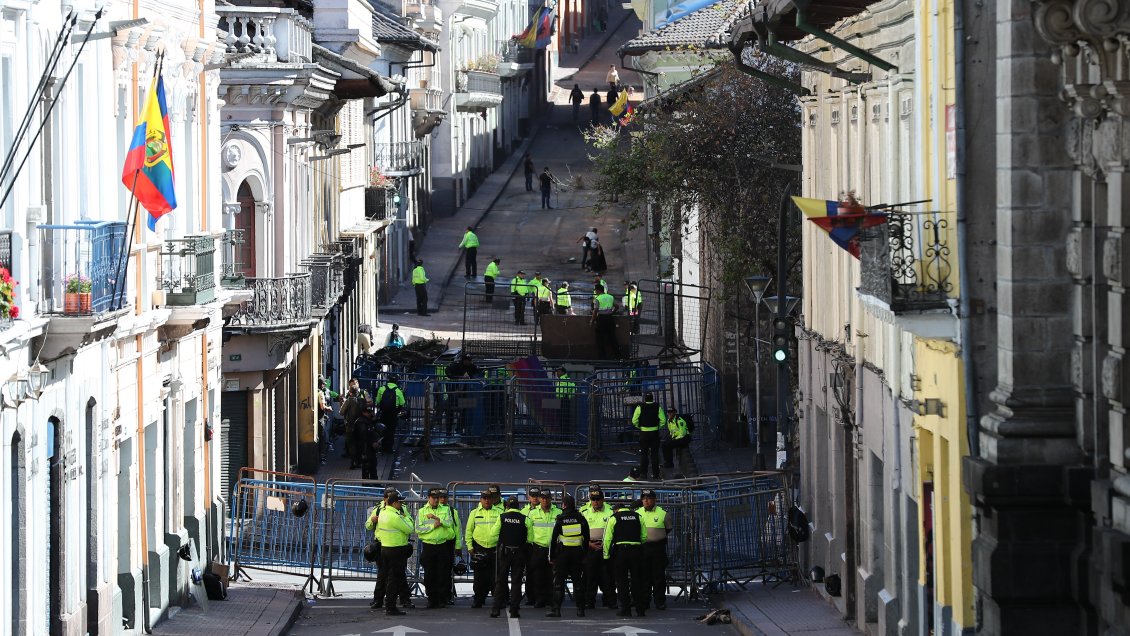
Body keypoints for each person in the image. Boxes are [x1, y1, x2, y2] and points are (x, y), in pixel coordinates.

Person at [372, 490, 415, 615]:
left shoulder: (384, 513)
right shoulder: (395, 516)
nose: (401, 504)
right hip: (396, 550)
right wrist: (406, 517)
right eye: (399, 502)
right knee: (394, 579)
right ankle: (390, 606)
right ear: (394, 503)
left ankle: (389, 603)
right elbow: (409, 528)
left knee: (390, 577)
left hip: (385, 548)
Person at [604, 499, 648, 618]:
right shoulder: (638, 516)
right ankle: (640, 610)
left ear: (616, 510)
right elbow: (644, 536)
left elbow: (607, 539)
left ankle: (625, 609)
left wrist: (606, 555)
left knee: (621, 582)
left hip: (621, 552)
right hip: (636, 552)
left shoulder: (614, 517)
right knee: (637, 581)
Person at [548, 493, 590, 617]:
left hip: (563, 554)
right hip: (577, 553)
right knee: (578, 582)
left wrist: (552, 556)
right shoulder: (581, 518)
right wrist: (585, 555)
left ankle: (556, 610)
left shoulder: (560, 519)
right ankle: (580, 610)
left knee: (559, 583)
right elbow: (587, 538)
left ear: (564, 505)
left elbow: (553, 539)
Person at [492, 496, 530, 618]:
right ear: (518, 507)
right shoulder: (525, 518)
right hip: (519, 553)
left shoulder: (501, 517)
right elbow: (531, 538)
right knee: (516, 582)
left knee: (500, 581)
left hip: (504, 553)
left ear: (507, 506)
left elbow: (493, 533)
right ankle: (514, 610)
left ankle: (496, 609)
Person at [418, 487, 456, 608]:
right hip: (429, 546)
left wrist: (440, 521)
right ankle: (431, 598)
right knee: (429, 574)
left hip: (442, 545)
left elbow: (449, 523)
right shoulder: (422, 511)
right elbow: (418, 529)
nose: (436, 500)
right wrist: (433, 526)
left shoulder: (445, 509)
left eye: (437, 498)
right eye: (433, 498)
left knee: (443, 573)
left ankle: (441, 598)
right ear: (428, 498)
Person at [580, 486, 617, 610]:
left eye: (598, 499)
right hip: (589, 548)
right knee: (590, 577)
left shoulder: (610, 511)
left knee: (608, 576)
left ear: (603, 499)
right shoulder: (583, 511)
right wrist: (588, 543)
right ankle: (589, 601)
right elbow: (577, 531)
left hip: (605, 547)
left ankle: (610, 601)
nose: (595, 501)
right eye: (593, 499)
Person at [637, 489, 673, 610]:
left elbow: (668, 528)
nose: (645, 500)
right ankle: (645, 601)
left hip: (658, 548)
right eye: (644, 498)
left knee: (658, 577)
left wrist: (656, 537)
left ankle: (660, 602)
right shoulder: (638, 512)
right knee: (644, 576)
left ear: (654, 500)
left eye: (648, 498)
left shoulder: (662, 513)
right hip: (643, 548)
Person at [526, 489, 562, 608]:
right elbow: (528, 530)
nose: (545, 500)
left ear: (551, 499)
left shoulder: (558, 512)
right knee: (538, 575)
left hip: (554, 548)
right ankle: (540, 599)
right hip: (538, 547)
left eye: (547, 498)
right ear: (540, 499)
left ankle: (551, 599)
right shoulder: (532, 513)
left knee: (552, 576)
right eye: (543, 498)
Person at [465, 490, 501, 608]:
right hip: (479, 548)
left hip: (495, 548)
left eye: (489, 498)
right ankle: (479, 600)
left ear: (492, 499)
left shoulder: (499, 512)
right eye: (484, 498)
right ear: (480, 499)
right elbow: (469, 531)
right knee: (479, 578)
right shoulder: (474, 513)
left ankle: (498, 600)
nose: (486, 500)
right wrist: (470, 547)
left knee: (495, 576)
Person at [632, 392, 666, 479]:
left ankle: (643, 474)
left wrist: (639, 426)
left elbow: (634, 420)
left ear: (645, 399)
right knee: (654, 454)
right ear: (652, 398)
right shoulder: (657, 407)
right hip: (654, 433)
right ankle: (656, 474)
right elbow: (663, 420)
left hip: (644, 433)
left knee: (644, 454)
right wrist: (658, 426)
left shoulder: (640, 407)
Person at [439, 489, 462, 605]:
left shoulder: (453, 511)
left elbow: (457, 530)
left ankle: (447, 595)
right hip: (435, 543)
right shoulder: (432, 511)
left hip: (448, 544)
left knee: (447, 571)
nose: (442, 499)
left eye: (444, 497)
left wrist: (458, 547)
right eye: (440, 497)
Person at [339, 378, 368, 467]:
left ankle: (354, 461)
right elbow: (367, 411)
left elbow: (341, 412)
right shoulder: (363, 401)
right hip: (361, 425)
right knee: (360, 443)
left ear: (350, 392)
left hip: (350, 426)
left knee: (351, 444)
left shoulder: (349, 400)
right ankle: (359, 461)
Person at [376, 375, 407, 454]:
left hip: (383, 413)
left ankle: (383, 447)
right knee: (391, 431)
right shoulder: (398, 391)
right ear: (396, 382)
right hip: (393, 414)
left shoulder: (382, 388)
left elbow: (377, 401)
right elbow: (402, 403)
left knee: (383, 429)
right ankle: (389, 449)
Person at [591, 283, 620, 360]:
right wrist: (612, 312)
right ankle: (619, 357)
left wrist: (592, 321)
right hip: (610, 319)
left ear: (598, 290)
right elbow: (617, 306)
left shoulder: (598, 298)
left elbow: (595, 311)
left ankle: (602, 358)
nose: (595, 292)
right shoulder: (610, 297)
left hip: (601, 320)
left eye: (595, 290)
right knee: (612, 338)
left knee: (600, 339)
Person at [662, 406, 692, 472]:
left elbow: (682, 433)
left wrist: (673, 440)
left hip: (684, 438)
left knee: (669, 444)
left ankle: (670, 463)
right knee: (664, 444)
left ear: (674, 413)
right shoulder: (669, 421)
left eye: (671, 412)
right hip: (677, 438)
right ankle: (667, 461)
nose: (669, 414)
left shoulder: (679, 420)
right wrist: (671, 438)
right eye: (668, 412)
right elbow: (671, 432)